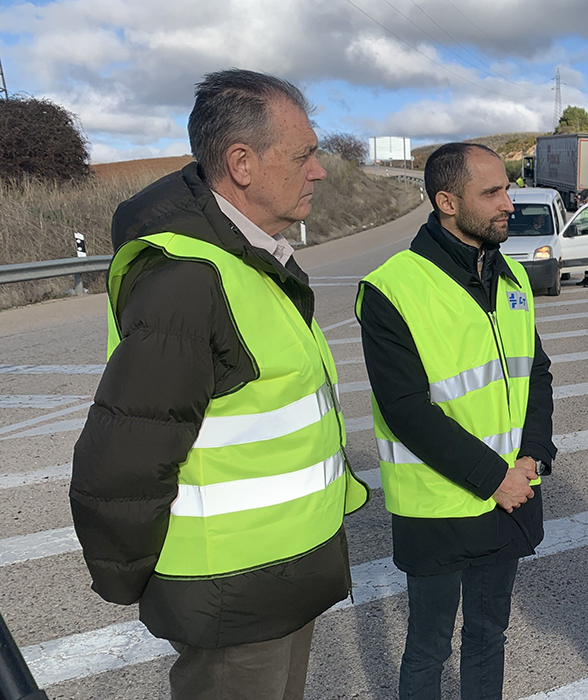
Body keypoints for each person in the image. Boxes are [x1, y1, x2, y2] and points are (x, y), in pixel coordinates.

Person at [70, 69, 369, 700]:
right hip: (233, 592)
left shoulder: (253, 262)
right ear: (242, 163)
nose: (318, 171)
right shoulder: (187, 277)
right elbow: (125, 453)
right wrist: (127, 576)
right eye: (304, 155)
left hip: (281, 576)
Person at [356, 142, 556, 700]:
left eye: (507, 189)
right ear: (446, 201)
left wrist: (532, 456)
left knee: (490, 637)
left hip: (510, 493)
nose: (509, 203)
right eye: (492, 192)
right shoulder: (391, 287)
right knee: (428, 647)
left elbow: (534, 373)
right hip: (439, 508)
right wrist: (495, 477)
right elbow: (406, 410)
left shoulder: (510, 275)